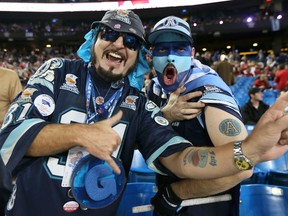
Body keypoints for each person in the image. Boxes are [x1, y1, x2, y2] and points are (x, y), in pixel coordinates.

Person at [0, 9, 288, 216]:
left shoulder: (139, 105)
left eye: (130, 41)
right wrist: (80, 133)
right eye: (109, 34)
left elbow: (182, 159)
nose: (118, 43)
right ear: (93, 41)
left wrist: (249, 151)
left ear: (138, 57)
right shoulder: (58, 71)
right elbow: (10, 136)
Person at [146, 16, 248, 216]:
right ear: (151, 55)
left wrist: (175, 194)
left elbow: (243, 166)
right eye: (163, 49)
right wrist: (164, 116)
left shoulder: (208, 93)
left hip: (208, 206)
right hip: (167, 203)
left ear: (192, 54)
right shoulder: (154, 90)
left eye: (180, 49)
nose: (170, 57)